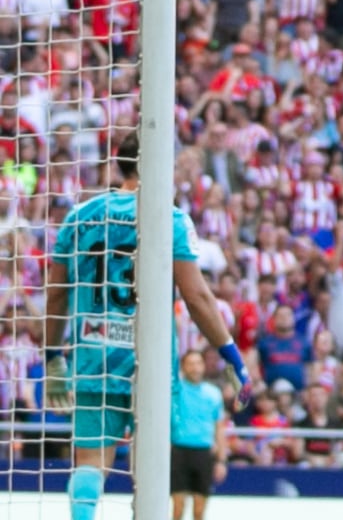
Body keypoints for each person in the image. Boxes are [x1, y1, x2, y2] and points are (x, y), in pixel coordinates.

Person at [44, 132, 252, 520]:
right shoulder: (169, 218)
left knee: (90, 463)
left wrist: (53, 357)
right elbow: (197, 297)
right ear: (158, 165)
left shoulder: (79, 216)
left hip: (93, 354)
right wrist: (230, 353)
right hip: (150, 361)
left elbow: (56, 295)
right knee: (151, 468)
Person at [171, 350, 228, 520]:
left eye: (198, 363)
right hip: (179, 450)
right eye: (190, 364)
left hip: (203, 452)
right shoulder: (176, 391)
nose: (195, 368)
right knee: (178, 505)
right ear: (183, 367)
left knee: (200, 508)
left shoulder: (213, 393)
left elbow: (219, 429)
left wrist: (221, 461)